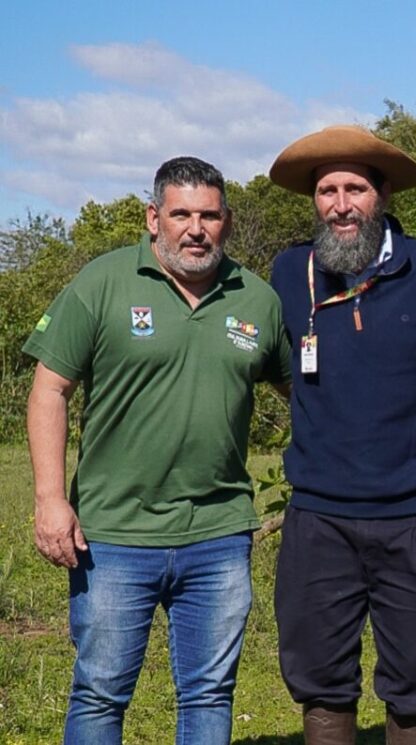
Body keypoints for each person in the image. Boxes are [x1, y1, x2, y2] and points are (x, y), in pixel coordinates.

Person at [23, 157, 291, 744]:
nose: (196, 229)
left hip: (218, 535)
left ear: (226, 220)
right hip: (114, 533)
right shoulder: (103, 282)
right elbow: (50, 389)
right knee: (99, 693)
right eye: (181, 214)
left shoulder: (258, 300)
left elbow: (305, 393)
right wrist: (49, 498)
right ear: (153, 218)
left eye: (210, 216)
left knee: (209, 694)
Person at [268, 125, 416, 745]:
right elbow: (279, 370)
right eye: (327, 190)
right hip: (318, 515)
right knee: (321, 676)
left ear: (382, 196)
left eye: (355, 188)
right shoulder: (287, 272)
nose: (340, 204)